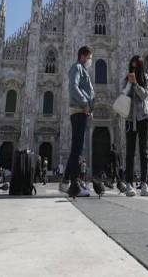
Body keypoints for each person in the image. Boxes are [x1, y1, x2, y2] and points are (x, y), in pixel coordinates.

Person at [59, 46, 94, 197]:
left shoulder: (82, 69)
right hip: (79, 110)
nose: (90, 61)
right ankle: (70, 182)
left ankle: (70, 181)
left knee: (77, 148)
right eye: (90, 57)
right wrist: (85, 103)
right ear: (83, 56)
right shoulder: (77, 67)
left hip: (82, 111)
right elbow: (73, 87)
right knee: (77, 149)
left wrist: (89, 108)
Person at [122, 55, 148, 197]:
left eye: (136, 67)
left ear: (140, 67)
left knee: (144, 151)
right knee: (130, 152)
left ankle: (144, 184)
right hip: (130, 118)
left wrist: (135, 84)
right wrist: (129, 83)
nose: (133, 69)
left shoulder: (146, 78)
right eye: (132, 66)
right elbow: (124, 95)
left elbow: (145, 95)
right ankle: (129, 183)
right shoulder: (126, 78)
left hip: (144, 117)